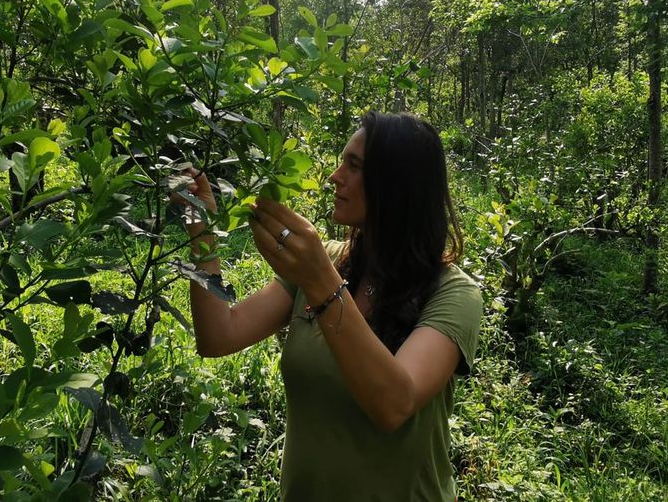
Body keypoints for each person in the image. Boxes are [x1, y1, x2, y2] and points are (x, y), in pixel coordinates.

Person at [180, 111, 482, 501]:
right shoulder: (326, 261)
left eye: (353, 166)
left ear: (396, 185)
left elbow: (394, 403)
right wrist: (199, 226)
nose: (334, 177)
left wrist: (320, 281)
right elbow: (219, 335)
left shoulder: (454, 294)